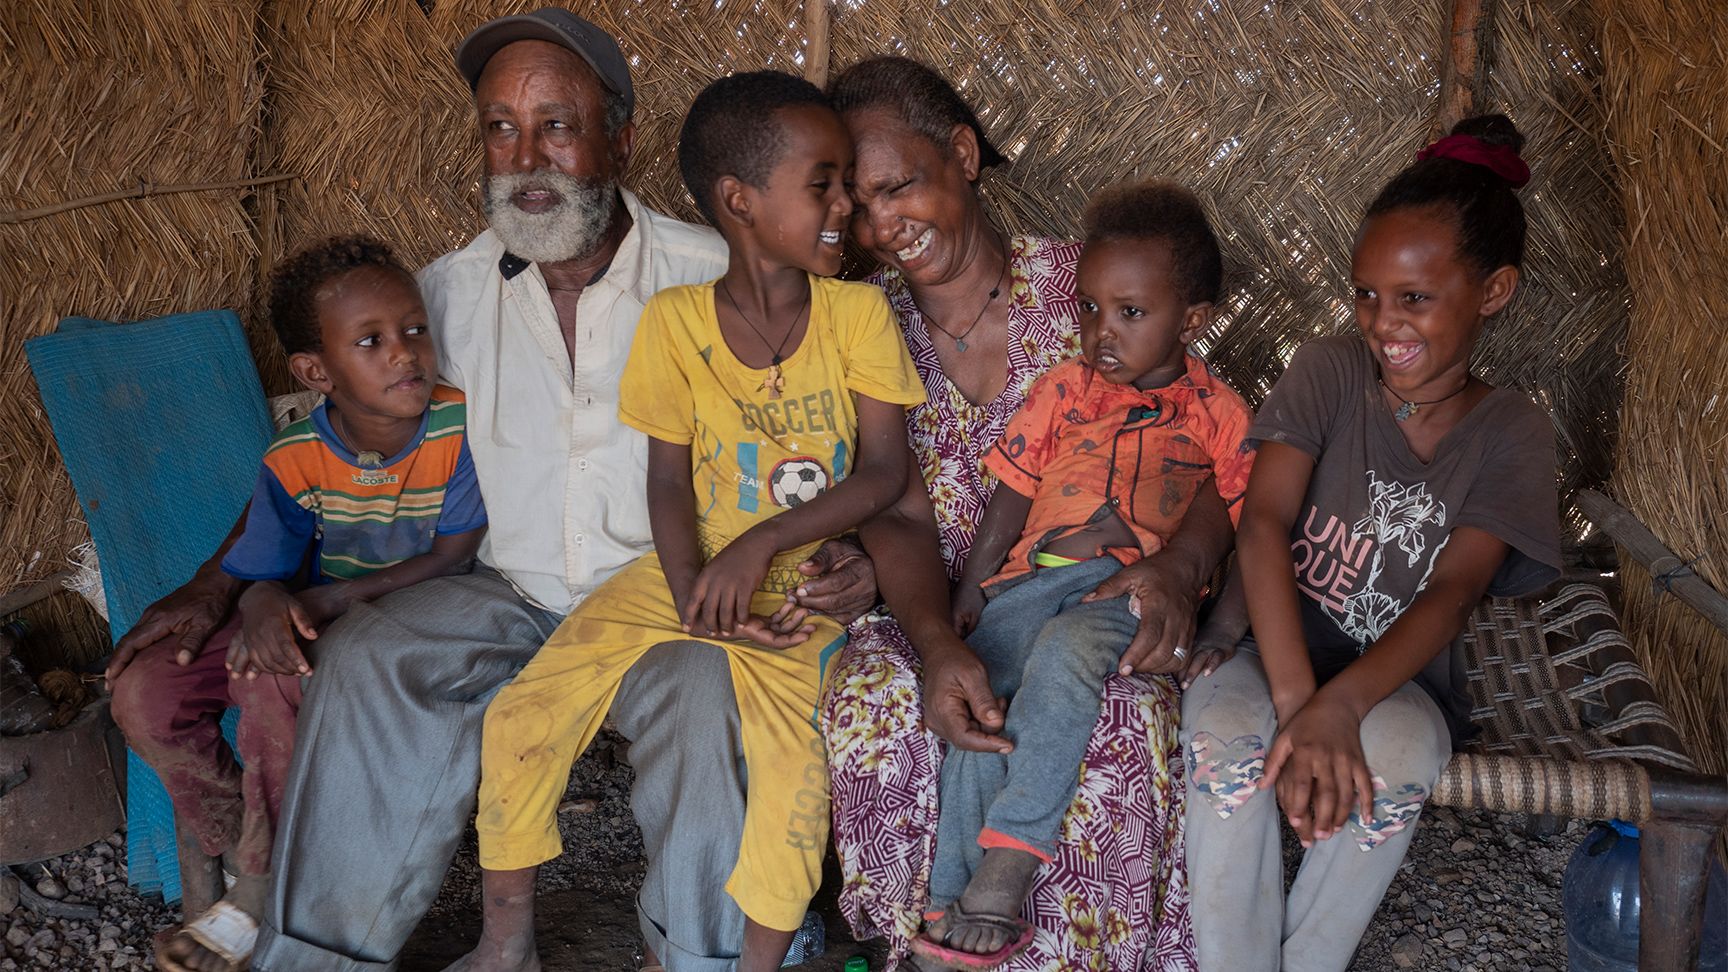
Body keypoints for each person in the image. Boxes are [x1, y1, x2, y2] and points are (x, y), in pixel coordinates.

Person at [104, 10, 800, 971]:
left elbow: (801, 444)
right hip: (497, 591)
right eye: (499, 127)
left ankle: (700, 958)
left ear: (619, 140)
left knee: (712, 690)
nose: (526, 155)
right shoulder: (439, 298)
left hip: (661, 599)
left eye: (557, 124)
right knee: (366, 665)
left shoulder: (715, 277)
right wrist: (220, 580)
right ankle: (315, 956)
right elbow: (335, 445)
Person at [459, 71, 924, 972]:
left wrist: (759, 546)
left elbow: (883, 471)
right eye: (822, 184)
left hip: (802, 591)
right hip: (687, 571)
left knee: (792, 782)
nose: (846, 206)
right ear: (740, 201)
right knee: (526, 711)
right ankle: (503, 938)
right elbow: (666, 485)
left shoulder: (858, 315)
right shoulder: (674, 323)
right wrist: (688, 590)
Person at [815, 56, 1234, 970]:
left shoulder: (1087, 293)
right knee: (888, 710)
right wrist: (938, 637)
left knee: (1111, 714)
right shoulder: (859, 325)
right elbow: (896, 515)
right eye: (858, 203)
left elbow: (1214, 458)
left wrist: (1180, 568)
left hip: (1105, 591)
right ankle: (926, 941)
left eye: (898, 187)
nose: (882, 224)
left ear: (962, 154)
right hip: (948, 603)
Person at [1181, 114, 1561, 972]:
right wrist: (1295, 706)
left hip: (1393, 685)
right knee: (1228, 757)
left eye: (1415, 299)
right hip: (1267, 655)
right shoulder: (1327, 370)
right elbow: (1265, 524)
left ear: (1493, 291)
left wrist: (1341, 708)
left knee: (1399, 757)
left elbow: (1451, 592)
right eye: (1367, 294)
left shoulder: (1511, 433)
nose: (1383, 323)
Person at [108, 236, 487, 972]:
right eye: (370, 341)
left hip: (397, 615)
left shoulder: (457, 427)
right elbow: (262, 568)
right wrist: (259, 601)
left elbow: (453, 557)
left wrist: (293, 603)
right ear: (317, 371)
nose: (404, 352)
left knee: (266, 671)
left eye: (413, 329)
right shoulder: (293, 457)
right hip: (309, 611)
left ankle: (256, 887)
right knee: (145, 692)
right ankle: (256, 841)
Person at [910, 181, 1255, 970]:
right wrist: (973, 585)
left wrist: (1226, 626)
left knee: (1067, 654)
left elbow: (1252, 522)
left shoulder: (1220, 415)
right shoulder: (1063, 389)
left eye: (1130, 313)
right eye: (1091, 308)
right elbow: (1013, 490)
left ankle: (1009, 863)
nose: (1103, 330)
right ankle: (946, 892)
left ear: (1192, 320)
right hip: (1029, 580)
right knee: (979, 702)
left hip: (1127, 592)